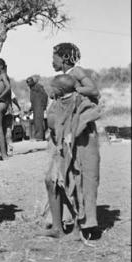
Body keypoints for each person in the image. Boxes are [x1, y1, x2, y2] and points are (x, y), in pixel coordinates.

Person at [41, 74, 101, 241]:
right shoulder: (58, 103)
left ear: (59, 90)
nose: (49, 91)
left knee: (78, 185)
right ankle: (57, 227)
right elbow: (54, 127)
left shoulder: (80, 102)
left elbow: (64, 125)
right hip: (63, 151)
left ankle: (78, 229)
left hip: (81, 151)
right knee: (51, 181)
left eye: (52, 88)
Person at [26, 75, 49, 141]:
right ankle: (38, 136)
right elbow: (33, 99)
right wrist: (31, 108)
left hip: (39, 106)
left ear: (32, 82)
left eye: (29, 82)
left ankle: (40, 137)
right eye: (27, 82)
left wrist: (44, 105)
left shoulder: (38, 87)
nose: (28, 84)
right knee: (36, 122)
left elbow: (45, 95)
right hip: (35, 107)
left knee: (39, 122)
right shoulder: (32, 88)